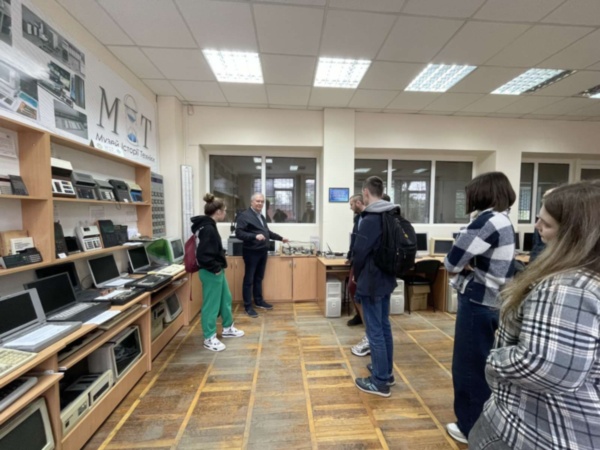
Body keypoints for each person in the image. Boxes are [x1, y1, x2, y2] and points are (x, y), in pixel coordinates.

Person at [470, 181, 600, 450]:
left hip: (530, 430)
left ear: (576, 233)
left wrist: (495, 359)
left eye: (547, 224)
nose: (537, 227)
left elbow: (546, 367)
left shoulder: (567, 287)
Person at [444, 172, 516, 444]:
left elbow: (452, 262)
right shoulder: (504, 219)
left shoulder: (486, 221)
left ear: (482, 193)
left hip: (478, 301)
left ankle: (469, 427)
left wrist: (466, 264)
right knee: (482, 361)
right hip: (496, 300)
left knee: (468, 365)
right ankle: (482, 420)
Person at [352, 177, 397, 397]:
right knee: (384, 327)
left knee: (374, 332)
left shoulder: (370, 218)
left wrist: (356, 274)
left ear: (366, 193)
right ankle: (386, 372)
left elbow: (360, 252)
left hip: (371, 281)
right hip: (387, 279)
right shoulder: (391, 214)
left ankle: (379, 382)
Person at [191, 193, 244, 352]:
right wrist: (215, 268)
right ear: (218, 212)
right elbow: (203, 255)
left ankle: (227, 327)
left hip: (216, 270)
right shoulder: (207, 228)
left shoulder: (208, 225)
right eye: (225, 210)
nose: (225, 213)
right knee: (211, 305)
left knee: (225, 298)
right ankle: (209, 337)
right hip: (210, 271)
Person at [235, 193, 289, 318]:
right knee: (249, 280)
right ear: (251, 202)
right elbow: (239, 233)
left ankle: (259, 301)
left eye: (262, 201)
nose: (260, 203)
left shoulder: (261, 216)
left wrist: (281, 238)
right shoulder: (244, 216)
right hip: (251, 252)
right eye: (257, 201)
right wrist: (254, 236)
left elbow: (267, 232)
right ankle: (248, 306)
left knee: (259, 278)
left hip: (262, 251)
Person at [346, 194, 365, 327]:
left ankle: (365, 317)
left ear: (358, 203)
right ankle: (360, 315)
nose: (350, 207)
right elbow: (354, 239)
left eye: (351, 204)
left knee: (357, 287)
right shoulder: (358, 219)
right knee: (352, 287)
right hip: (356, 258)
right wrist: (349, 256)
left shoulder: (368, 219)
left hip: (365, 260)